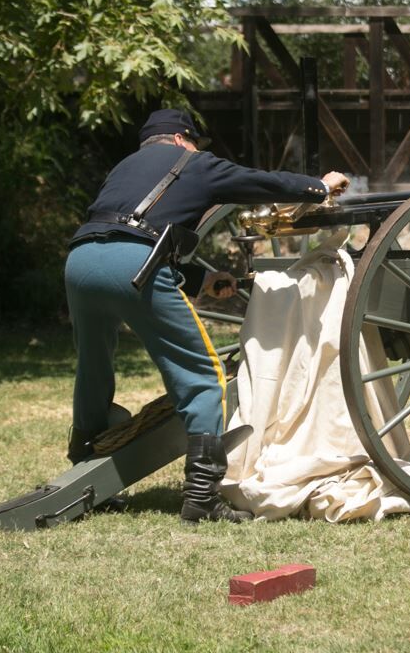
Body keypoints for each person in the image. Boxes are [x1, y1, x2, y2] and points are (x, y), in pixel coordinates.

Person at [65, 108, 348, 524]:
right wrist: (316, 187)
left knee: (93, 367)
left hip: (79, 262)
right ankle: (202, 496)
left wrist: (200, 279)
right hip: (134, 266)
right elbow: (257, 182)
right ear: (182, 139)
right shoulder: (191, 162)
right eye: (194, 142)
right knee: (203, 373)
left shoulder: (123, 168)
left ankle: (83, 466)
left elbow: (129, 232)